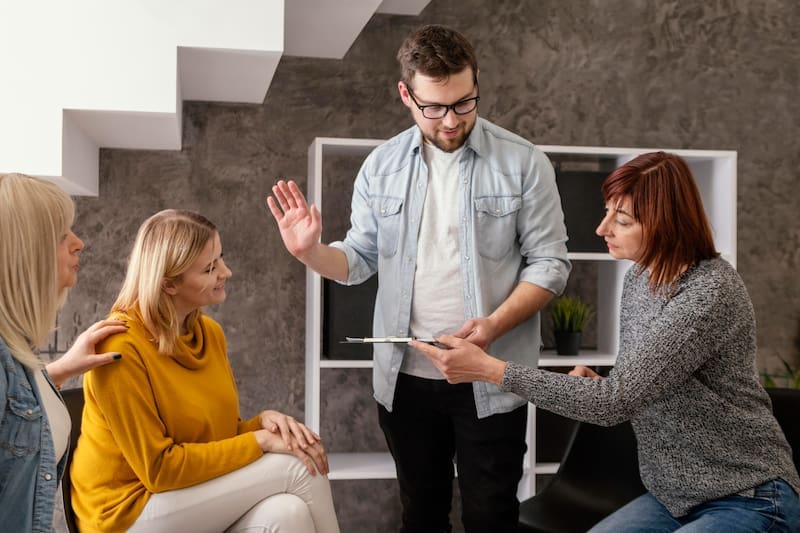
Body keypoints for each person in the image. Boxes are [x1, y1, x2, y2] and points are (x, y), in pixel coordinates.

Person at [268, 24, 570, 533]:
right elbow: (358, 260)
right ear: (406, 94)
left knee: (492, 518)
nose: (451, 120)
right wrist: (310, 252)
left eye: (464, 102)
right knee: (421, 515)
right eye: (435, 107)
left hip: (490, 376)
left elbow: (550, 264)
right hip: (405, 381)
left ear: (475, 84)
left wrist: (492, 327)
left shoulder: (523, 162)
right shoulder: (381, 166)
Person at [412, 151, 800, 532]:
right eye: (608, 210)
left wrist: (489, 370)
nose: (602, 228)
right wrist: (603, 387)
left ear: (667, 224)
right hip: (671, 499)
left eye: (623, 219)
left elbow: (616, 402)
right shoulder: (640, 280)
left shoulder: (708, 293)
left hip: (750, 498)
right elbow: (639, 386)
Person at [70, 209, 340, 533]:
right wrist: (260, 441)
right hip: (124, 512)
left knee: (288, 512)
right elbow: (159, 470)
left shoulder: (208, 334)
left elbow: (215, 439)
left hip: (180, 497)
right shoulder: (120, 347)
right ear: (169, 283)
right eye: (210, 268)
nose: (226, 272)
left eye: (220, 259)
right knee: (295, 466)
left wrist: (262, 423)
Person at [0, 172, 128, 532]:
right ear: (26, 253)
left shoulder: (16, 351)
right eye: (61, 236)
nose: (79, 243)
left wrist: (60, 369)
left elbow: (15, 415)